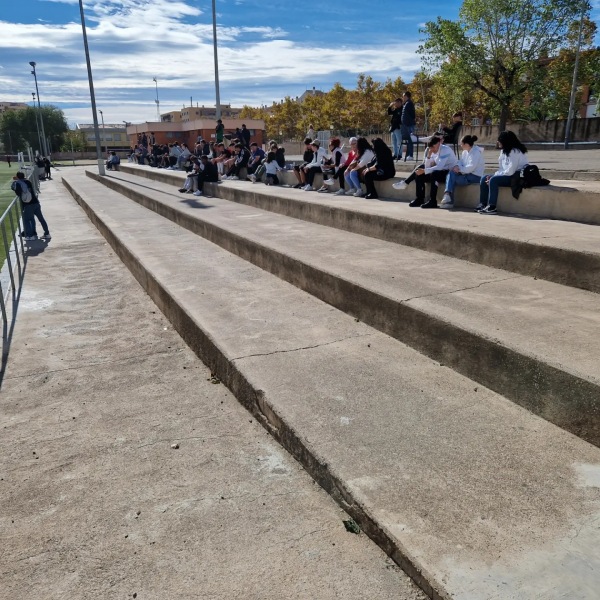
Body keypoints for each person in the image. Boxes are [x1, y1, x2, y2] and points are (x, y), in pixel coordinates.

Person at [393, 136, 457, 208]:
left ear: (438, 144)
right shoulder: (432, 150)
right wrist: (429, 156)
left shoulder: (445, 150)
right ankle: (419, 199)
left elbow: (439, 167)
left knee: (434, 174)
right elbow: (427, 166)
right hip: (438, 171)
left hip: (448, 172)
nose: (432, 149)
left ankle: (432, 201)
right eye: (431, 148)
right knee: (419, 173)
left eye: (433, 147)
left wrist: (424, 171)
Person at [478, 130, 528, 214]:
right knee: (484, 178)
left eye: (500, 140)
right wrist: (494, 175)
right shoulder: (504, 151)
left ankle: (492, 206)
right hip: (507, 175)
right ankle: (482, 204)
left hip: (515, 177)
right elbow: (501, 168)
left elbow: (511, 171)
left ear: (506, 141)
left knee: (493, 180)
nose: (498, 142)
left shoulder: (515, 151)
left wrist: (493, 177)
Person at [440, 135, 485, 208]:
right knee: (451, 173)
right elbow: (460, 162)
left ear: (466, 144)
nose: (460, 145)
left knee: (452, 178)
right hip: (466, 174)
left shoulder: (476, 152)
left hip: (475, 176)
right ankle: (447, 196)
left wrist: (459, 169)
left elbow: (471, 168)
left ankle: (449, 200)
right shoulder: (465, 152)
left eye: (461, 144)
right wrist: (457, 166)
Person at [11, 171, 50, 241]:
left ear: (17, 177)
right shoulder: (28, 182)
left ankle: (30, 235)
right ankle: (47, 234)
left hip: (28, 205)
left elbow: (17, 192)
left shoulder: (18, 183)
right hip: (36, 202)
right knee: (41, 219)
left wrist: (15, 182)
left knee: (27, 220)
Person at [401, 91, 416, 161]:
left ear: (406, 96)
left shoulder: (409, 103)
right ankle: (408, 155)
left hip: (409, 125)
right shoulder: (406, 103)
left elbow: (413, 114)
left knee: (410, 140)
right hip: (406, 125)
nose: (402, 97)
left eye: (403, 96)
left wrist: (409, 122)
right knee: (408, 140)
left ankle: (411, 155)